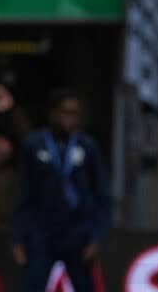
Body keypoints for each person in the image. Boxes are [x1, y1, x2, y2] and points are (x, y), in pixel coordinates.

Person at [12, 88, 110, 292]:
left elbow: (101, 194)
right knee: (33, 285)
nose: (70, 119)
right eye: (65, 112)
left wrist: (96, 236)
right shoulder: (34, 145)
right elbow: (23, 194)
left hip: (78, 231)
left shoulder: (88, 146)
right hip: (42, 231)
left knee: (85, 286)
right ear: (53, 113)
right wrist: (18, 238)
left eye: (75, 114)